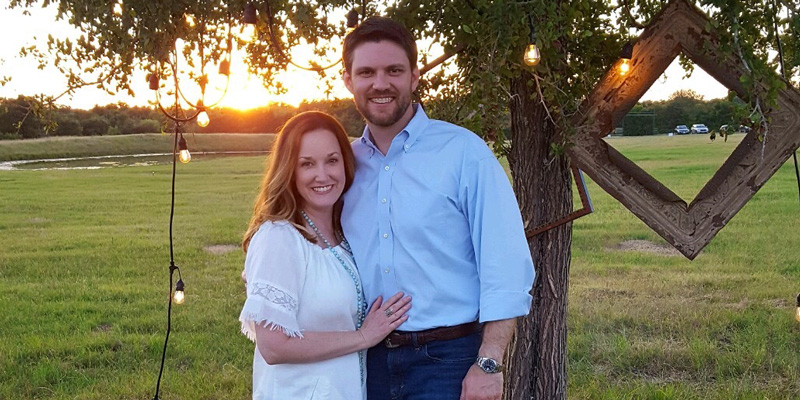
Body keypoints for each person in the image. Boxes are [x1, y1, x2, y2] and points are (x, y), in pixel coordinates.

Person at [340, 17, 535, 400]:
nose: (380, 83)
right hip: (364, 360)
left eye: (394, 70)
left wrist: (489, 362)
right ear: (348, 80)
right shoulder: (343, 165)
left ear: (414, 76)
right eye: (366, 72)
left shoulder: (463, 153)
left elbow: (505, 263)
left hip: (448, 361)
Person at [238, 111, 411, 400]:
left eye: (332, 160)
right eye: (307, 164)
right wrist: (363, 337)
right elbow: (274, 346)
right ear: (289, 170)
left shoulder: (343, 233)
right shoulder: (278, 237)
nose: (323, 175)